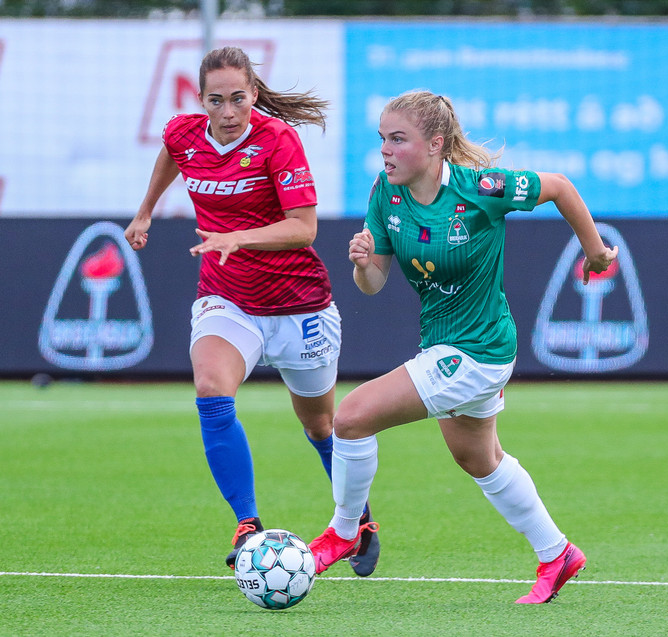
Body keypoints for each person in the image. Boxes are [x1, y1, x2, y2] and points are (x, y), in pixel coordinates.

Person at [308, 90, 618, 603]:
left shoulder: (482, 189)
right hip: (443, 344)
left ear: (435, 144)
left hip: (479, 350)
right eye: (382, 139)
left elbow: (561, 187)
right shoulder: (385, 192)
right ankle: (558, 553)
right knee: (478, 458)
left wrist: (596, 253)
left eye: (398, 139)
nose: (385, 150)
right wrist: (363, 263)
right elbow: (374, 283)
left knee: (352, 418)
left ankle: (345, 532)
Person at [124, 46, 379, 575]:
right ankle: (247, 523)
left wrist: (236, 237)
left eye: (238, 99)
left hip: (298, 304)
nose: (228, 112)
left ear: (254, 94)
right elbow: (172, 152)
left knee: (320, 425)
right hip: (229, 298)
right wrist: (145, 211)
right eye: (215, 100)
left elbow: (304, 228)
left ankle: (357, 524)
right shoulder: (184, 132)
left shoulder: (277, 139)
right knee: (211, 389)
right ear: (201, 100)